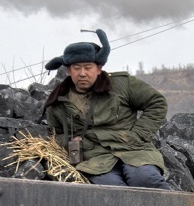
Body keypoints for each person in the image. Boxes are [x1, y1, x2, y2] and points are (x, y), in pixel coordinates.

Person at [42, 29, 169, 188]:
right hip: (95, 159)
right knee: (112, 191)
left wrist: (138, 134)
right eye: (76, 68)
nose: (82, 73)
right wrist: (70, 142)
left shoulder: (121, 84)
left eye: (88, 67)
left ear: (99, 68)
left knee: (146, 181)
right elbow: (55, 133)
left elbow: (156, 102)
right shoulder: (58, 101)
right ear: (68, 70)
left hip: (135, 151)